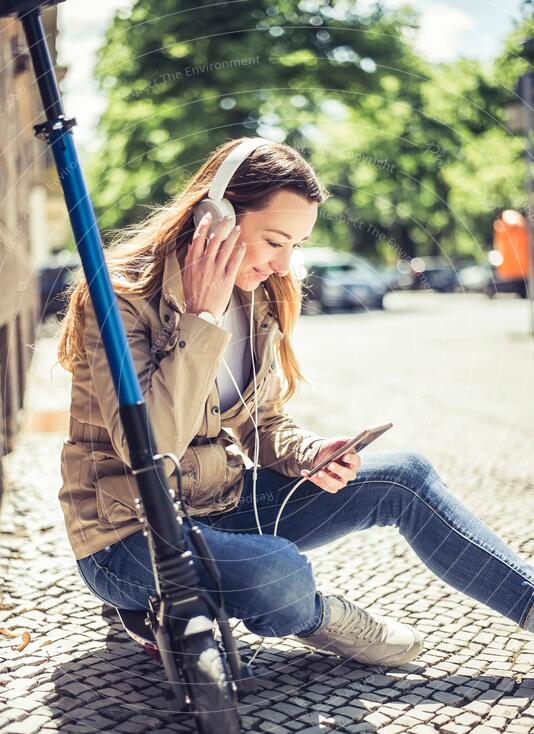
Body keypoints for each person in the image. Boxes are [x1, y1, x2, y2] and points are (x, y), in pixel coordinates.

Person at [57, 137, 534, 670]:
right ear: (215, 218)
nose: (284, 266)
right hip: (129, 535)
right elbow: (150, 444)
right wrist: (202, 319)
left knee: (406, 476)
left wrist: (308, 452)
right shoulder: (118, 296)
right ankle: (315, 617)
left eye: (296, 246)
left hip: (221, 505)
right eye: (275, 242)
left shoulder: (254, 293)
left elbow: (259, 420)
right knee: (277, 570)